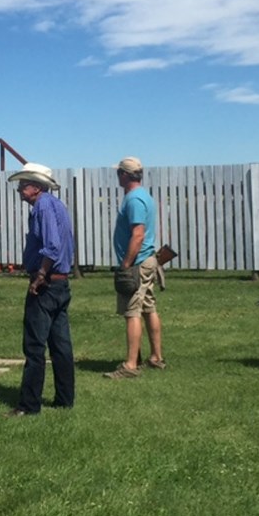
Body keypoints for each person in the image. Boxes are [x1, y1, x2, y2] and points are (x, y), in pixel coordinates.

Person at [5, 163, 75, 417]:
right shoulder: (57, 205)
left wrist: (40, 276)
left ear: (36, 187)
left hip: (46, 283)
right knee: (61, 344)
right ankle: (65, 399)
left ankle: (29, 405)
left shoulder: (43, 206)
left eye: (23, 185)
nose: (20, 190)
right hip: (61, 283)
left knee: (34, 346)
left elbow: (52, 246)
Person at [105, 156, 165, 379]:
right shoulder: (144, 196)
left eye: (118, 172)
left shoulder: (134, 200)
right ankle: (156, 357)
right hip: (147, 260)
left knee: (132, 311)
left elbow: (138, 234)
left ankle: (130, 365)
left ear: (124, 175)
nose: (117, 176)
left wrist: (126, 265)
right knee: (149, 307)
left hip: (138, 262)